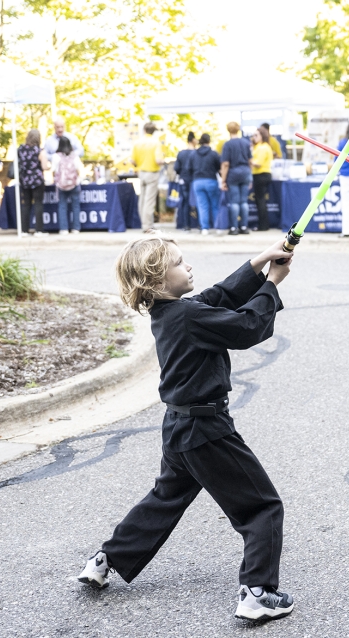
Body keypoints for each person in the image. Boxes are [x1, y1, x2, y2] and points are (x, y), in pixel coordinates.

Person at [76, 235, 295, 623]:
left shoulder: (172, 312)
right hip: (207, 429)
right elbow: (247, 327)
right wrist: (271, 284)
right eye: (179, 262)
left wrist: (260, 261)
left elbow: (219, 295)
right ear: (157, 280)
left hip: (179, 428)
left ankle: (105, 559)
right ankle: (258, 593)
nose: (188, 266)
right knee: (262, 507)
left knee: (166, 497)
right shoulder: (189, 317)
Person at [131, 122, 165, 233]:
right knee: (149, 201)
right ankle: (147, 226)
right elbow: (158, 160)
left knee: (142, 200)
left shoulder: (138, 143)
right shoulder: (156, 143)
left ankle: (144, 224)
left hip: (142, 173)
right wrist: (163, 162)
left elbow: (133, 161)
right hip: (152, 173)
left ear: (144, 130)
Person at [17, 129, 50, 236]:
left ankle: (24, 230)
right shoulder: (39, 151)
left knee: (26, 204)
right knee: (38, 204)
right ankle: (39, 230)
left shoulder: (21, 149)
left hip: (24, 180)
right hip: (37, 180)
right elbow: (45, 166)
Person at [192, 132, 225, 235]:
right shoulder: (214, 153)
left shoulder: (194, 154)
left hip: (197, 181)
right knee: (215, 205)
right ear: (209, 141)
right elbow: (219, 168)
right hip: (211, 180)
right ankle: (217, 227)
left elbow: (190, 167)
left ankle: (204, 228)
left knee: (202, 206)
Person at [53, 135, 83, 235]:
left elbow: (54, 171)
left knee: (62, 206)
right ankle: (76, 228)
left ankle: (63, 229)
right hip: (74, 184)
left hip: (61, 185)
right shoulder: (74, 156)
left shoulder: (56, 156)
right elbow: (78, 170)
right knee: (75, 206)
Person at [250, 129, 274, 231]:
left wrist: (248, 160)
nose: (254, 137)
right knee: (260, 200)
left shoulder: (263, 147)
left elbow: (258, 163)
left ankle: (263, 225)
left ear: (262, 136)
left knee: (260, 201)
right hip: (261, 174)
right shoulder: (260, 147)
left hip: (261, 174)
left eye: (256, 135)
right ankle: (263, 225)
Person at [174, 132, 197, 231]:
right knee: (198, 202)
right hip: (195, 179)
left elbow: (176, 168)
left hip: (184, 179)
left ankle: (186, 225)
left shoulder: (181, 153)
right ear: (193, 140)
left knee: (185, 202)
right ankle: (199, 225)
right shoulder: (196, 153)